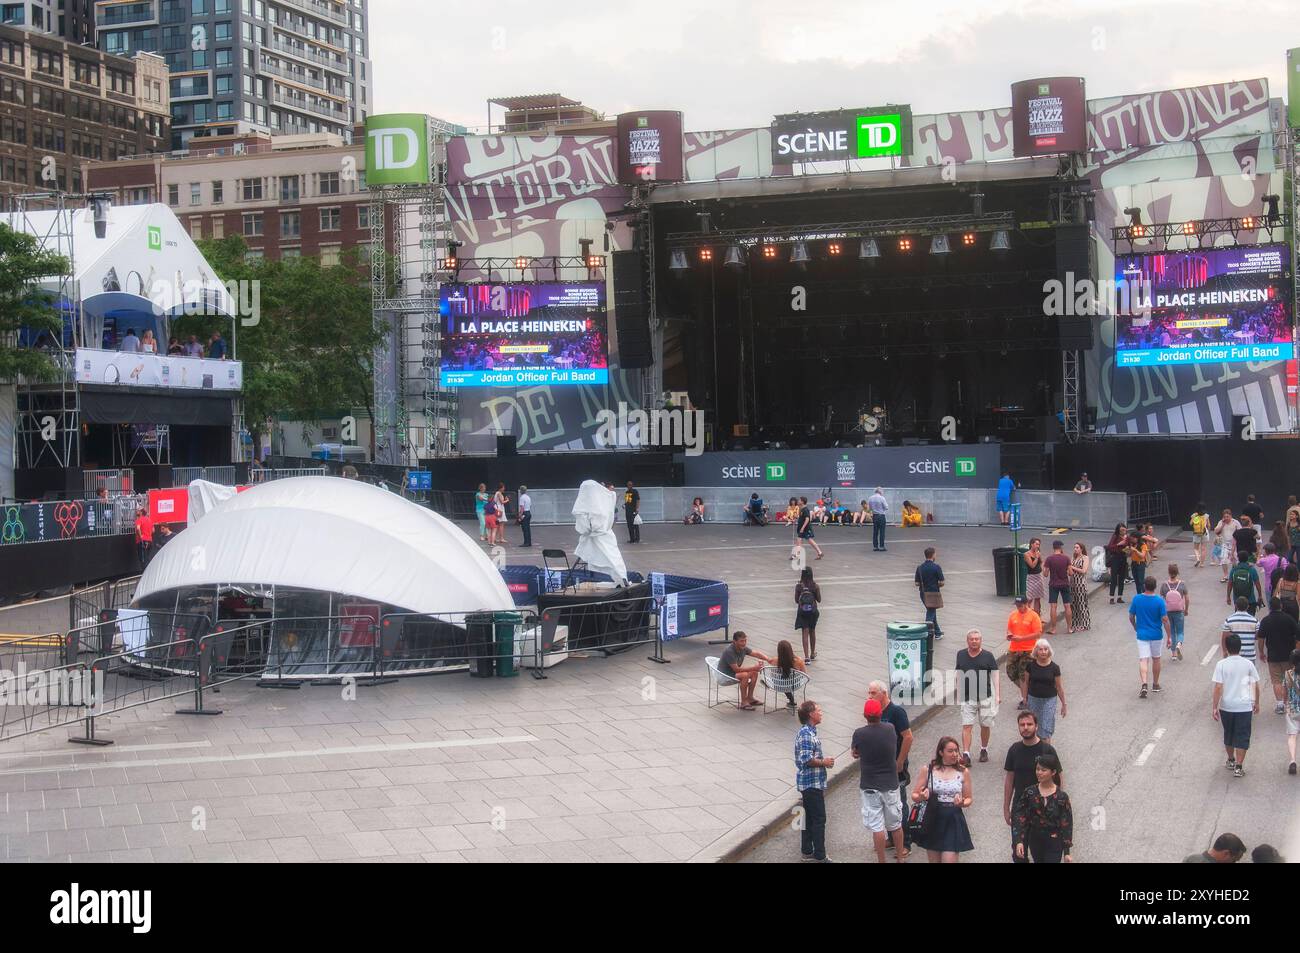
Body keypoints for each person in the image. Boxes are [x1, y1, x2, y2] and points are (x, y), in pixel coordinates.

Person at [851, 698, 907, 863]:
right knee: (896, 824)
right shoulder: (890, 729)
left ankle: (881, 860)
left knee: (877, 827)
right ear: (880, 713)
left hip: (869, 786)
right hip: (890, 784)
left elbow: (855, 753)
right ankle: (900, 858)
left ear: (864, 715)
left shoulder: (859, 733)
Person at [1003, 710, 1059, 865]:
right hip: (1020, 809)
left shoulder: (1047, 750)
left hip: (1043, 810)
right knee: (1018, 853)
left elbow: (1058, 779)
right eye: (1022, 725)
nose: (1025, 727)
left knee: (1041, 853)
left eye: (1029, 724)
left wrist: (1057, 805)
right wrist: (1006, 808)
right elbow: (1009, 780)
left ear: (1036, 726)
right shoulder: (1014, 750)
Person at [909, 736, 973, 863]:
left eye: (956, 750)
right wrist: (921, 796)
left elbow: (969, 798)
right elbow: (914, 795)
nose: (955, 754)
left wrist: (962, 803)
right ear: (941, 752)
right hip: (933, 818)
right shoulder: (928, 770)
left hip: (953, 818)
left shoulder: (963, 771)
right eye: (950, 751)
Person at [867, 680, 913, 853]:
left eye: (873, 693)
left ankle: (905, 842)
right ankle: (892, 838)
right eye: (868, 693)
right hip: (880, 768)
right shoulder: (874, 713)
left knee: (899, 804)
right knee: (885, 804)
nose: (869, 696)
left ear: (884, 694)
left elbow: (908, 737)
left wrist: (900, 761)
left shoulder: (896, 712)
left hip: (895, 767)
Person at [1212, 632, 1260, 778]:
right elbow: (1255, 685)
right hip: (1244, 706)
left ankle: (1231, 759)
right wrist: (1256, 702)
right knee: (1243, 735)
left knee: (1229, 733)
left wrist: (1214, 706)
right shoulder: (1248, 664)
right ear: (1240, 647)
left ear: (1226, 647)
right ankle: (1239, 766)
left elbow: (1218, 687)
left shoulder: (1221, 664)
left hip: (1227, 706)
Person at [1012, 753, 1073, 863]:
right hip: (1035, 839)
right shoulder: (1029, 792)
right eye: (1037, 769)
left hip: (1054, 840)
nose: (1039, 773)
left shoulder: (1062, 797)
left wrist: (1067, 853)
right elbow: (1019, 816)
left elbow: (1066, 824)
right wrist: (1019, 841)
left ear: (1053, 772)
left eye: (1043, 770)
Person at [794, 701, 834, 862]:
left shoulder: (810, 732)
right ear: (811, 714)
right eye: (818, 710)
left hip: (811, 783)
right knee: (819, 819)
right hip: (811, 784)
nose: (821, 712)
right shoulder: (805, 734)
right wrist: (824, 762)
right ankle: (820, 855)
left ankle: (807, 851)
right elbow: (806, 759)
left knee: (809, 818)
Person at [956, 629, 999, 765]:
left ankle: (984, 749)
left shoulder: (988, 656)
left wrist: (997, 695)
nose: (974, 641)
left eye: (977, 639)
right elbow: (958, 673)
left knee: (985, 725)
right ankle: (966, 754)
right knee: (966, 725)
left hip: (985, 696)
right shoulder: (961, 654)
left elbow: (995, 676)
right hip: (968, 697)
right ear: (967, 640)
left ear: (981, 641)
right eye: (971, 639)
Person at [1129, 576, 1169, 699]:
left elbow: (1131, 616)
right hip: (1156, 634)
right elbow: (1165, 620)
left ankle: (1144, 683)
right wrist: (1169, 636)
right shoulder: (1159, 601)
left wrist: (1135, 626)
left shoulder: (1137, 599)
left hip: (1142, 634)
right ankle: (1155, 684)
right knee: (1156, 659)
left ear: (1144, 586)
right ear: (1155, 587)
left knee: (1143, 659)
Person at [1258, 598, 1299, 715]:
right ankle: (1290, 703)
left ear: (1270, 607)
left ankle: (1280, 704)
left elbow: (1261, 638)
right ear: (1281, 606)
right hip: (1288, 656)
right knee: (1289, 680)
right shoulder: (1289, 619)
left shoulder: (1266, 620)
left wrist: (1261, 652)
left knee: (1276, 680)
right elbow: (1298, 635)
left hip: (1273, 656)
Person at [718, 631, 773, 711]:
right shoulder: (729, 652)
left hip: (734, 673)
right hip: (724, 675)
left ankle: (750, 698)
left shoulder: (743, 648)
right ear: (734, 642)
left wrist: (768, 659)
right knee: (745, 675)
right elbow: (737, 669)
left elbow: (756, 654)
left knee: (754, 673)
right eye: (741, 641)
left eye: (745, 640)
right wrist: (754, 667)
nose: (744, 643)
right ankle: (744, 703)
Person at [1006, 596, 1043, 710]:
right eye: (1017, 606)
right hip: (1014, 649)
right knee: (1011, 672)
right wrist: (1009, 635)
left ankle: (1025, 699)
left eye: (1021, 605)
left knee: (1023, 675)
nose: (1019, 608)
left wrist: (1021, 639)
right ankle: (1029, 691)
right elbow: (1009, 629)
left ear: (1027, 604)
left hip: (1028, 650)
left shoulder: (1033, 616)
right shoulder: (1013, 615)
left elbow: (1038, 634)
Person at [1026, 639, 1066, 743]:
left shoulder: (1055, 668)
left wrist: (1064, 704)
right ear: (1036, 651)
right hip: (1034, 699)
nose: (1043, 651)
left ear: (1049, 651)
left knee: (1045, 727)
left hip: (1049, 700)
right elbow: (1026, 683)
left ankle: (1046, 753)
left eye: (1046, 649)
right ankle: (1034, 748)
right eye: (1040, 649)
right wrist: (1025, 698)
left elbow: (1059, 687)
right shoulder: (1030, 666)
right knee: (1034, 725)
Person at [1159, 563, 1189, 661]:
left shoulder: (1164, 585)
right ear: (1177, 572)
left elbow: (1160, 600)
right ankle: (1179, 644)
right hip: (1179, 610)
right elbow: (1187, 598)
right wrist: (1186, 609)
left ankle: (1174, 655)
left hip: (1168, 611)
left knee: (1171, 632)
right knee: (1180, 631)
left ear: (1169, 572)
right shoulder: (1182, 584)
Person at [914, 546, 944, 640]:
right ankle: (926, 632)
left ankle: (938, 632)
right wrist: (936, 585)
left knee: (931, 611)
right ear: (933, 555)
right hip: (933, 593)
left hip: (923, 593)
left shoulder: (920, 568)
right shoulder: (936, 567)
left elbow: (916, 583)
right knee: (930, 613)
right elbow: (942, 582)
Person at [1043, 539, 1072, 635]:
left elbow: (1046, 574)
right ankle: (1069, 628)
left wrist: (1045, 568)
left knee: (1053, 606)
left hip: (1053, 584)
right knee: (1067, 606)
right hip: (1065, 584)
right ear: (1061, 547)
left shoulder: (1049, 559)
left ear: (1053, 547)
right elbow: (1070, 573)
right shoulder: (1066, 558)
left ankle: (1054, 629)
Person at [1222, 595, 1260, 664]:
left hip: (1234, 657)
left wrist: (1225, 652)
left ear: (1236, 606)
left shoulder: (1229, 620)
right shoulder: (1255, 621)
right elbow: (1258, 637)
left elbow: (1224, 638)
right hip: (1250, 657)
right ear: (1248, 606)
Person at [794, 567, 821, 662]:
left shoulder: (798, 586)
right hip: (813, 612)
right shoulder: (815, 586)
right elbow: (819, 600)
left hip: (802, 612)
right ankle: (812, 653)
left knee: (805, 632)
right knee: (812, 631)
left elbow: (797, 600)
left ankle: (806, 657)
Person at [1226, 552, 1263, 616]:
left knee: (1239, 618)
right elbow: (1258, 584)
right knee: (1251, 618)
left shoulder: (1234, 569)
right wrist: (1260, 596)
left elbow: (1230, 584)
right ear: (1247, 559)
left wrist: (1228, 596)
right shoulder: (1252, 569)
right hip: (1250, 599)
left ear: (1238, 558)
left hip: (1238, 599)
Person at [774, 640, 806, 711]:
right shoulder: (799, 661)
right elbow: (804, 674)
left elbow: (772, 673)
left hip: (779, 685)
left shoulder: (776, 661)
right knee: (788, 681)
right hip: (795, 684)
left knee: (783, 680)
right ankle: (792, 701)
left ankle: (792, 701)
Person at [1284, 649, 1300, 775]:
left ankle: (1293, 760)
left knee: (1292, 736)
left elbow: (1286, 692)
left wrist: (1285, 705)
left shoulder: (1288, 674)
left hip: (1293, 709)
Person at [1068, 541, 1091, 631]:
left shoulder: (1085, 558)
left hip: (1080, 584)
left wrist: (1072, 567)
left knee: (1082, 604)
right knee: (1073, 604)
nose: (1075, 549)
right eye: (1074, 547)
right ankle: (1076, 623)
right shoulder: (1073, 558)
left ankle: (1085, 624)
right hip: (1072, 583)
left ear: (1081, 549)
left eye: (1077, 547)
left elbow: (1084, 570)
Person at [1214, 509, 1241, 582]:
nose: (1226, 518)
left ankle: (1235, 574)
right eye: (1225, 516)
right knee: (1224, 560)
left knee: (1235, 560)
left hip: (1234, 544)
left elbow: (1240, 531)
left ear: (1231, 516)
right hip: (1224, 544)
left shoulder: (1235, 522)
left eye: (1227, 516)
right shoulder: (1221, 522)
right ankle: (1225, 575)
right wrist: (1222, 525)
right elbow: (1216, 531)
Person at [1105, 523, 1130, 605]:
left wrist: (1127, 549)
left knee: (1122, 578)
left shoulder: (1127, 537)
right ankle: (1111, 598)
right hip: (1115, 558)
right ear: (1118, 530)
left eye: (1124, 530)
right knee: (1113, 578)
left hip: (1123, 558)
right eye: (1122, 530)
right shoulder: (1115, 536)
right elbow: (1109, 547)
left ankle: (1120, 597)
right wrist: (1119, 544)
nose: (1124, 531)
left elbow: (1129, 546)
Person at [795, 496, 823, 561]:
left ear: (802, 501)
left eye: (799, 500)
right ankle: (819, 552)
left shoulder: (805, 509)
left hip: (805, 528)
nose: (798, 501)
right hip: (802, 528)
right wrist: (796, 518)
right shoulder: (801, 509)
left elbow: (807, 519)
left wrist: (802, 528)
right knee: (802, 541)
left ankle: (798, 555)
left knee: (804, 540)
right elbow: (802, 518)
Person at [1023, 537, 1045, 615]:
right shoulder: (1026, 554)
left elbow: (1041, 561)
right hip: (1031, 577)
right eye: (1036, 544)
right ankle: (1027, 615)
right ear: (1032, 544)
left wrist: (1042, 570)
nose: (1038, 546)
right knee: (1030, 598)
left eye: (1039, 544)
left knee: (1038, 598)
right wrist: (1036, 557)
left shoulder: (1038, 553)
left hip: (1038, 576)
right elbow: (1032, 565)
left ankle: (1037, 615)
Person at [1126, 531, 1150, 595]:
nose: (1132, 540)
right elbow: (1129, 555)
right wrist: (1128, 550)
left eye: (1133, 538)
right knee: (1136, 581)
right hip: (1133, 563)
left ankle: (1145, 595)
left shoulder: (1143, 545)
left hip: (1140, 564)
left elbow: (1142, 555)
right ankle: (1139, 595)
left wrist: (1135, 550)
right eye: (1131, 539)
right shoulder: (1133, 544)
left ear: (1137, 538)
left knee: (1141, 581)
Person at [1190, 503, 1211, 568]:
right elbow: (1209, 525)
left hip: (1196, 534)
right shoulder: (1206, 516)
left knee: (1196, 548)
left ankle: (1198, 559)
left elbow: (1190, 523)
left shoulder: (1194, 515)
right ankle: (1202, 564)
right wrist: (1208, 531)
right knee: (1203, 549)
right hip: (1204, 533)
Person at [868, 487, 889, 551]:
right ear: (880, 492)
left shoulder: (870, 498)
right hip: (881, 515)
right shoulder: (882, 498)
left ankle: (875, 546)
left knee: (875, 531)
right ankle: (881, 546)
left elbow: (870, 508)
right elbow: (886, 507)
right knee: (882, 531)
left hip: (875, 516)